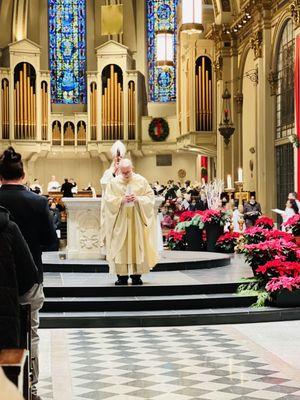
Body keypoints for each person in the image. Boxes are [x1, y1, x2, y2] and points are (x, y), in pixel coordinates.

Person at [0, 147, 57, 400]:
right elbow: (50, 241)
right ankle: (29, 388)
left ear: (1, 177)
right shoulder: (38, 202)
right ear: (23, 174)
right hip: (29, 277)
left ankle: (4, 389)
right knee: (30, 333)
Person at [104, 158, 158, 285]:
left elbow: (150, 198)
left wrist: (138, 199)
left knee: (137, 246)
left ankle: (136, 276)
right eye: (123, 172)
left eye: (128, 172)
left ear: (132, 168)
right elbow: (108, 199)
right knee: (120, 246)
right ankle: (121, 276)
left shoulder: (141, 180)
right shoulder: (114, 182)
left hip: (136, 220)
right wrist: (120, 200)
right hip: (121, 220)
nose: (126, 175)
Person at [0, 206, 39, 350]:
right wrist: (12, 292)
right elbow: (28, 271)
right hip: (4, 309)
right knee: (5, 366)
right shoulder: (8, 228)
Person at [100, 140, 126, 255]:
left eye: (120, 158)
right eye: (117, 158)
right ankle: (109, 252)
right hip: (111, 207)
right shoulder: (108, 172)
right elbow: (104, 185)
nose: (118, 160)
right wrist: (114, 174)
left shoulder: (128, 172)